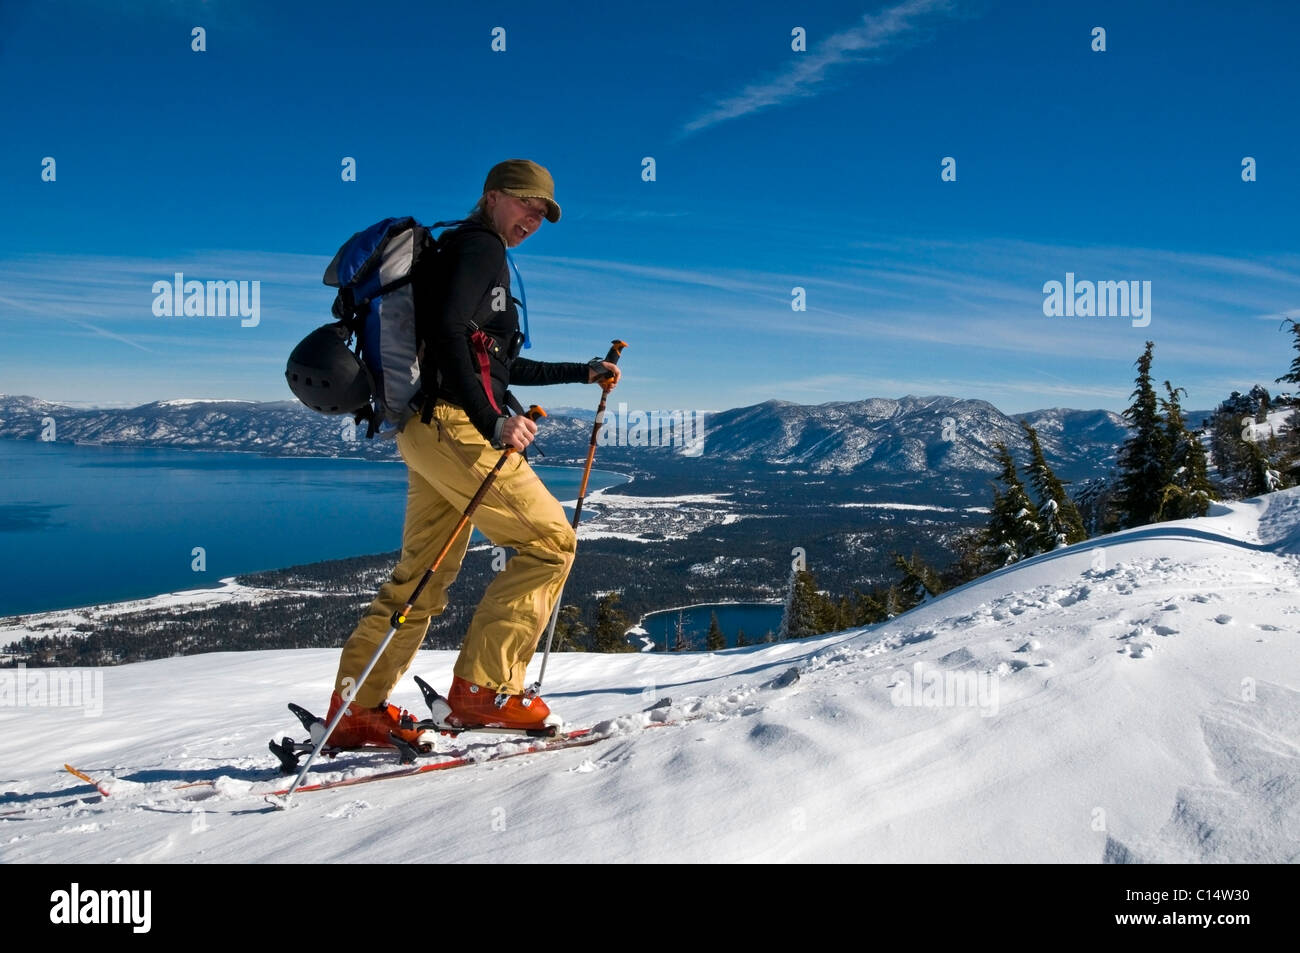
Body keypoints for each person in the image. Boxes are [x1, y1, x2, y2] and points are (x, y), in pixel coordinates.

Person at [326, 159, 620, 745]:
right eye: (525, 205)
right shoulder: (480, 247)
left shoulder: (465, 252)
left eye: (542, 213)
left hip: (424, 429)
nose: (533, 219)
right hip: (456, 428)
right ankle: (484, 690)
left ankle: (357, 707)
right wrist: (492, 422)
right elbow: (447, 333)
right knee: (548, 545)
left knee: (420, 578)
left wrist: (583, 371)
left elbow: (499, 363)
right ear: (492, 197)